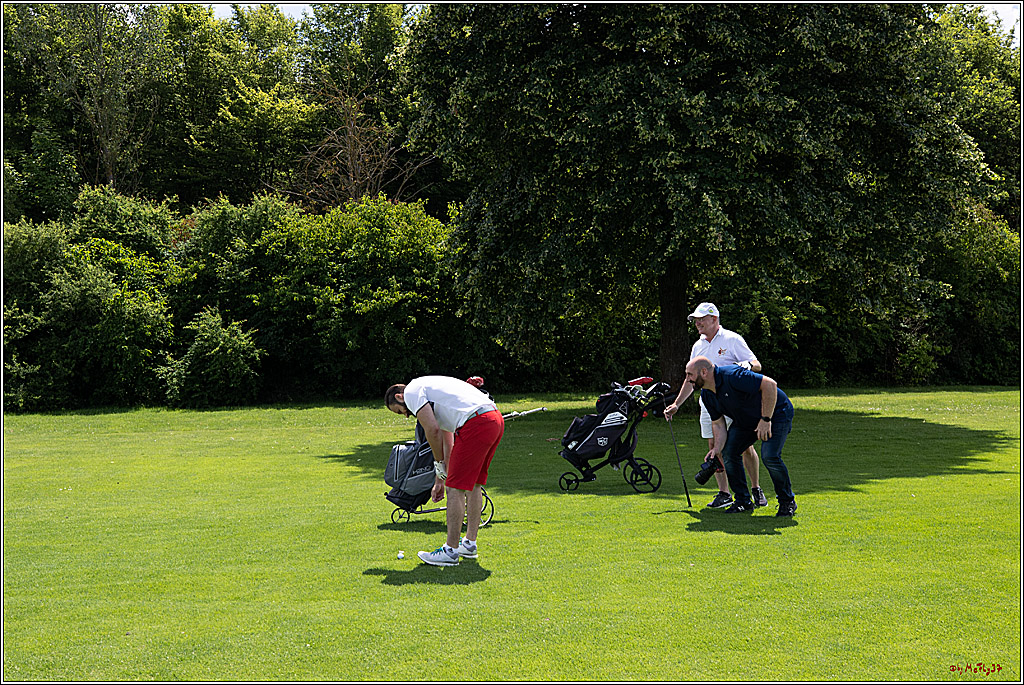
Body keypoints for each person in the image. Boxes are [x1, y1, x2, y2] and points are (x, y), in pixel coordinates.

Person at [385, 375, 505, 566]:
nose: (406, 416)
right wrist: (439, 479)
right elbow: (447, 441)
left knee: (455, 489)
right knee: (474, 485)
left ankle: (450, 551)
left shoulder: (411, 392)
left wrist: (438, 463)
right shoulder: (434, 397)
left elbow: (432, 431)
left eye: (401, 411)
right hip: (493, 420)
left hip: (475, 423)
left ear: (400, 397)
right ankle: (469, 544)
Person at [663, 303, 768, 509]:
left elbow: (756, 365)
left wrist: (745, 366)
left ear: (714, 319)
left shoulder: (732, 339)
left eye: (701, 319)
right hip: (709, 403)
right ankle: (724, 493)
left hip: (734, 403)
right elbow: (691, 378)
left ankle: (755, 488)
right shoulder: (698, 346)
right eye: (695, 320)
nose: (697, 323)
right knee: (714, 446)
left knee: (744, 446)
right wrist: (677, 404)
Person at [684, 356, 797, 516]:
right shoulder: (707, 395)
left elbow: (770, 384)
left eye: (690, 374)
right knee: (729, 453)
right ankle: (743, 501)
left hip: (776, 413)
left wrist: (766, 419)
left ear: (703, 372)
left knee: (770, 456)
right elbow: (718, 424)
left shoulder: (732, 375)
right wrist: (716, 448)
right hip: (746, 421)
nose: (687, 379)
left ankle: (787, 502)